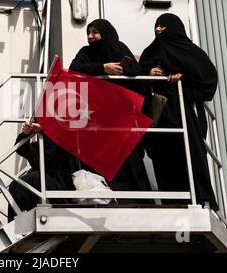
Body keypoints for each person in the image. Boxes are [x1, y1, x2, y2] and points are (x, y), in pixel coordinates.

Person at [137, 13, 219, 210]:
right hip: (162, 115)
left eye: (163, 26)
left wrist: (184, 75)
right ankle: (171, 202)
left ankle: (199, 199)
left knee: (190, 155)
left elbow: (208, 80)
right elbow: (140, 73)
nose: (158, 29)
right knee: (164, 159)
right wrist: (149, 73)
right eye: (156, 26)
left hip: (185, 115)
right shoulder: (152, 51)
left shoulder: (192, 52)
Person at [69, 19, 151, 197]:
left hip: (121, 117)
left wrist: (120, 70)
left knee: (131, 159)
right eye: (89, 32)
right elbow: (74, 68)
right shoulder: (86, 52)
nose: (91, 36)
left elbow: (137, 70)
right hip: (96, 119)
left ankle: (140, 198)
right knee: (98, 160)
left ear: (105, 32)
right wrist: (102, 68)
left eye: (95, 32)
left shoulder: (119, 48)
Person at [8, 121, 78, 221]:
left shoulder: (63, 143)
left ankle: (18, 222)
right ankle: (16, 222)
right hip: (45, 191)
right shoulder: (40, 146)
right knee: (16, 184)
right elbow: (21, 149)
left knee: (33, 178)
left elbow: (65, 137)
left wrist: (46, 130)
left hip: (62, 192)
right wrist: (25, 133)